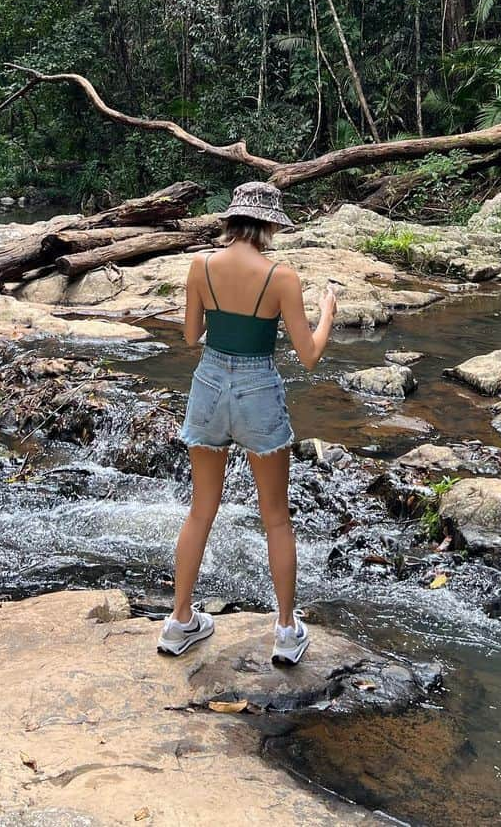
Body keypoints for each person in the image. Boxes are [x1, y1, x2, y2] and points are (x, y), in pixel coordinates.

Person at [158, 180, 338, 665]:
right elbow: (310, 355)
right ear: (270, 224)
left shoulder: (201, 266)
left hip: (210, 382)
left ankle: (179, 622)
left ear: (232, 220)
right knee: (275, 516)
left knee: (201, 510)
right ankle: (284, 630)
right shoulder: (282, 276)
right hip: (258, 388)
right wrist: (327, 313)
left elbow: (191, 336)